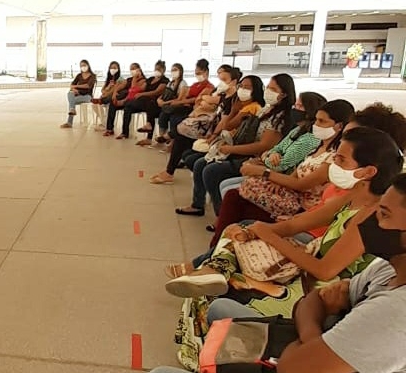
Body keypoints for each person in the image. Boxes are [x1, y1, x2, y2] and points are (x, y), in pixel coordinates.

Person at [142, 174, 406, 373]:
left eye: (383, 214)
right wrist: (313, 337)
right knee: (220, 310)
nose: (369, 219)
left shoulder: (396, 313)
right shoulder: (388, 268)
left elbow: (291, 372)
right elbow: (312, 302)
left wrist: (314, 337)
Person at [166, 127, 403, 320]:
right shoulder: (353, 196)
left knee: (219, 302)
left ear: (368, 171)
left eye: (341, 160)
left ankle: (224, 275)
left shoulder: (371, 215)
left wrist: (269, 236)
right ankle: (217, 272)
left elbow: (324, 270)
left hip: (318, 293)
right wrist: (257, 231)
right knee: (237, 230)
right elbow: (295, 225)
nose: (332, 165)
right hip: (308, 270)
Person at [208, 98, 350, 244]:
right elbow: (294, 171)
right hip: (291, 197)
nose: (316, 125)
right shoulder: (318, 147)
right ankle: (219, 247)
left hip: (302, 208)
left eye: (322, 122)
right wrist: (278, 180)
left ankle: (216, 247)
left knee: (234, 199)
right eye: (316, 120)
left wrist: (264, 172)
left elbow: (301, 183)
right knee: (234, 198)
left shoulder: (333, 156)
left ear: (339, 126)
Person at [175, 73, 296, 217]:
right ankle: (199, 205)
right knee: (200, 162)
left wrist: (230, 148)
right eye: (268, 87)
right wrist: (233, 111)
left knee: (210, 170)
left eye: (273, 89)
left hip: (257, 159)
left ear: (284, 94)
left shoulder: (277, 117)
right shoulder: (266, 110)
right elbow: (228, 126)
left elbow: (263, 146)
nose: (268, 91)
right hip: (244, 150)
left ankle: (222, 216)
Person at [149, 73, 261, 185]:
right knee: (179, 130)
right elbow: (201, 101)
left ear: (233, 82)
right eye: (241, 86)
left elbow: (226, 125)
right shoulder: (231, 99)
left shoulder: (246, 106)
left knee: (181, 134)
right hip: (213, 129)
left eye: (225, 80)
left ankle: (170, 162)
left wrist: (229, 115)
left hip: (224, 139)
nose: (242, 89)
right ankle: (171, 164)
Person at [137, 63, 190, 145]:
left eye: (175, 70)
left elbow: (179, 99)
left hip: (175, 106)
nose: (173, 72)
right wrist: (159, 100)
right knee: (152, 106)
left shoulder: (182, 83)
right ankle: (159, 136)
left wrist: (165, 102)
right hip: (166, 105)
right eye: (172, 70)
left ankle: (168, 140)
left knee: (164, 115)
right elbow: (164, 94)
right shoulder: (170, 83)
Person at [115, 60, 169, 140]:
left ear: (163, 70)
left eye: (159, 69)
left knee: (149, 103)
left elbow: (156, 92)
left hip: (154, 103)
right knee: (128, 106)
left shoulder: (165, 80)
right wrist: (135, 78)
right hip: (144, 102)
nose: (157, 71)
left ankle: (149, 136)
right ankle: (124, 132)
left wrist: (142, 94)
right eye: (156, 69)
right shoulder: (150, 79)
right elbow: (137, 88)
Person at [102, 62, 146, 136]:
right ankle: (109, 129)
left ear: (139, 69)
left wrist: (135, 79)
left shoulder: (143, 81)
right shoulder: (129, 79)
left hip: (132, 100)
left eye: (134, 69)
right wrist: (114, 93)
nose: (132, 71)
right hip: (124, 99)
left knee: (126, 102)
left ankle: (124, 132)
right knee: (113, 103)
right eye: (131, 69)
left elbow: (133, 90)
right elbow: (120, 86)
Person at [60, 59, 96, 128]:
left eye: (84, 65)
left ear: (88, 65)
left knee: (71, 101)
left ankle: (69, 122)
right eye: (81, 66)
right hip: (78, 95)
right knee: (70, 93)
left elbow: (87, 86)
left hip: (87, 96)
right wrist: (73, 89)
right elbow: (71, 85)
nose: (83, 67)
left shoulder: (92, 76)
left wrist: (76, 86)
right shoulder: (79, 75)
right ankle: (72, 110)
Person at [90, 61, 122, 128]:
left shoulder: (120, 79)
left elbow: (114, 90)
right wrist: (108, 87)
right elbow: (102, 90)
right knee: (94, 105)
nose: (113, 69)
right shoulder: (108, 79)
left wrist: (105, 94)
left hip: (113, 97)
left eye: (114, 68)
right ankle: (104, 122)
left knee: (103, 104)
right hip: (105, 96)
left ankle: (105, 124)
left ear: (118, 69)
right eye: (111, 68)